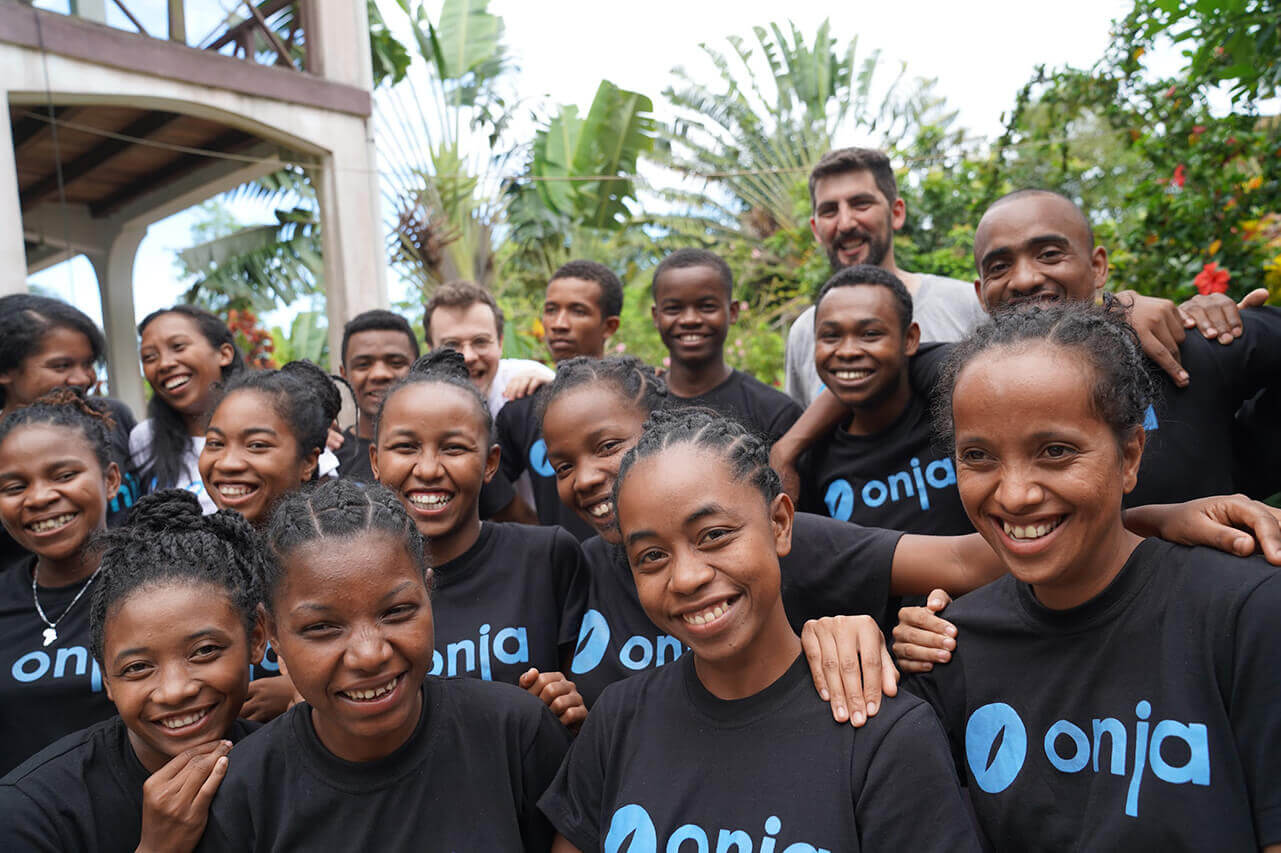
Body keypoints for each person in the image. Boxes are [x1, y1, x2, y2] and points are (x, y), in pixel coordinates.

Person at [539, 355, 1281, 715]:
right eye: (563, 462)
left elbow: (973, 558)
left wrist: (1142, 521)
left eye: (612, 446)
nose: (592, 476)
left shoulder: (776, 538)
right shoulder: (567, 564)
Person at [904, 302, 1281, 850]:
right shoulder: (949, 651)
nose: (1014, 494)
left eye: (1055, 452)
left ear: (1130, 454)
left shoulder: (1246, 612)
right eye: (978, 456)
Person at [538, 409, 984, 852]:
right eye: (652, 556)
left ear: (780, 524)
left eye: (713, 535)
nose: (687, 577)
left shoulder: (885, 735)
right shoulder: (619, 719)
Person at [776, 189, 1281, 508]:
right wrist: (789, 448)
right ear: (979, 294)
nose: (1024, 278)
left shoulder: (1180, 344)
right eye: (999, 266)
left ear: (1098, 266)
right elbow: (872, 366)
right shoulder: (971, 385)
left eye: (1049, 254)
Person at [197, 479, 570, 851]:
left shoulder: (517, 736)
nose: (369, 654)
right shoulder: (243, 792)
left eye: (396, 612)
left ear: (428, 593)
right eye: (323, 628)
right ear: (272, 633)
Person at [0, 490, 265, 852]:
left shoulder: (294, 770)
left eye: (204, 652)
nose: (174, 691)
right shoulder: (33, 811)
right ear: (107, 678)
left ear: (256, 639)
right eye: (138, 668)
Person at [372, 350, 587, 726]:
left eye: (454, 448)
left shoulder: (546, 558)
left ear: (490, 463)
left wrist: (565, 704)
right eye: (405, 447)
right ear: (375, 461)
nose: (427, 469)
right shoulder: (358, 582)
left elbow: (584, 693)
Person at [784, 147, 987, 407]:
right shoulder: (805, 331)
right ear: (815, 229)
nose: (845, 223)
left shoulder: (966, 304)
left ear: (896, 212)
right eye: (829, 210)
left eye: (861, 204)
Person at [198, 360, 341, 721]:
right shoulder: (190, 562)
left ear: (309, 462)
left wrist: (301, 691)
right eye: (215, 443)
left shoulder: (338, 555)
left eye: (257, 445)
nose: (228, 463)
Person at [0, 391, 123, 775]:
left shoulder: (160, 586)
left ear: (111, 480)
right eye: (14, 487)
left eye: (64, 475)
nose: (39, 498)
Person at [798, 264, 972, 535]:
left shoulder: (954, 413)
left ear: (910, 339)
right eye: (830, 336)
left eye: (870, 334)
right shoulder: (811, 459)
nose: (847, 351)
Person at [0, 294, 142, 568]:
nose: (82, 379)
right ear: (6, 370)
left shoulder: (113, 417)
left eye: (88, 364)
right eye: (61, 365)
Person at [495, 260, 624, 540]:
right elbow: (487, 480)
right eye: (551, 310)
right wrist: (539, 537)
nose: (559, 324)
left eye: (578, 311)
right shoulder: (523, 409)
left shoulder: (635, 399)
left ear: (609, 325)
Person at [652, 248, 802, 443]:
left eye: (707, 307)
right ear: (656, 316)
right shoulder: (637, 404)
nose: (690, 320)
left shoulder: (774, 412)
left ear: (733, 311)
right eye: (673, 309)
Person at [131, 306, 244, 512]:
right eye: (149, 357)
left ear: (224, 354)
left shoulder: (272, 423)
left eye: (178, 346)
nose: (164, 364)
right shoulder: (144, 438)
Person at [422, 279, 555, 417]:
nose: (468, 357)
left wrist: (555, 392)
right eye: (451, 345)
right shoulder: (416, 406)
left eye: (480, 341)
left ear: (500, 343)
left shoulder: (530, 380)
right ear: (431, 351)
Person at [332, 309, 418, 483]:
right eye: (363, 365)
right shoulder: (329, 459)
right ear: (344, 375)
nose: (379, 374)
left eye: (396, 363)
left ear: (418, 368)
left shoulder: (447, 450)